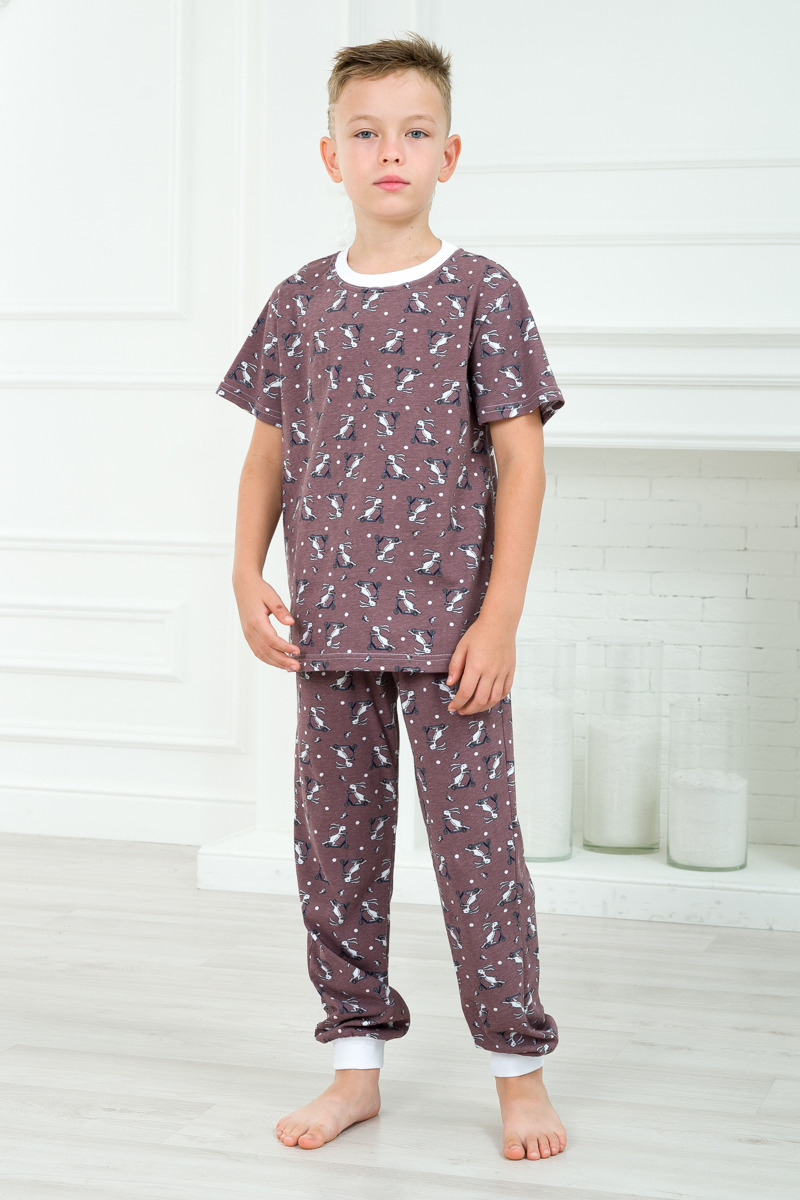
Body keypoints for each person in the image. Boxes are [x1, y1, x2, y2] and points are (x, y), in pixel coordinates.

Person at [216, 32, 568, 1163]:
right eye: (365, 133)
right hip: (329, 637)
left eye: (414, 132)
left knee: (479, 859)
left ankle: (518, 1072)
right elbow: (267, 456)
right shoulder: (299, 302)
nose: (389, 152)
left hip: (453, 641)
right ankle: (355, 1064)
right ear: (331, 156)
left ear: (448, 154)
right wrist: (244, 572)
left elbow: (522, 464)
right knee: (335, 854)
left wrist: (500, 616)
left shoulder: (482, 293)